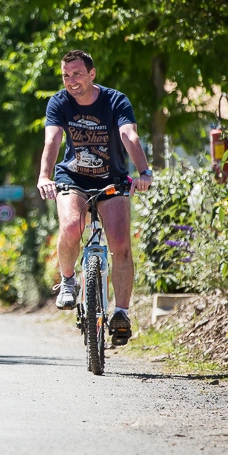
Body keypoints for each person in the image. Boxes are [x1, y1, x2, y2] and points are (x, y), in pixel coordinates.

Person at [36, 50, 152, 345]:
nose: (71, 81)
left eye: (77, 74)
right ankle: (67, 280)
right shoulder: (59, 102)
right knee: (72, 227)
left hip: (111, 179)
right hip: (72, 179)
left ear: (92, 74)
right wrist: (44, 176)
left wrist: (144, 172)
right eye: (65, 75)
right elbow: (52, 139)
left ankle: (122, 313)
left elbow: (129, 136)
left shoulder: (116, 101)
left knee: (121, 245)